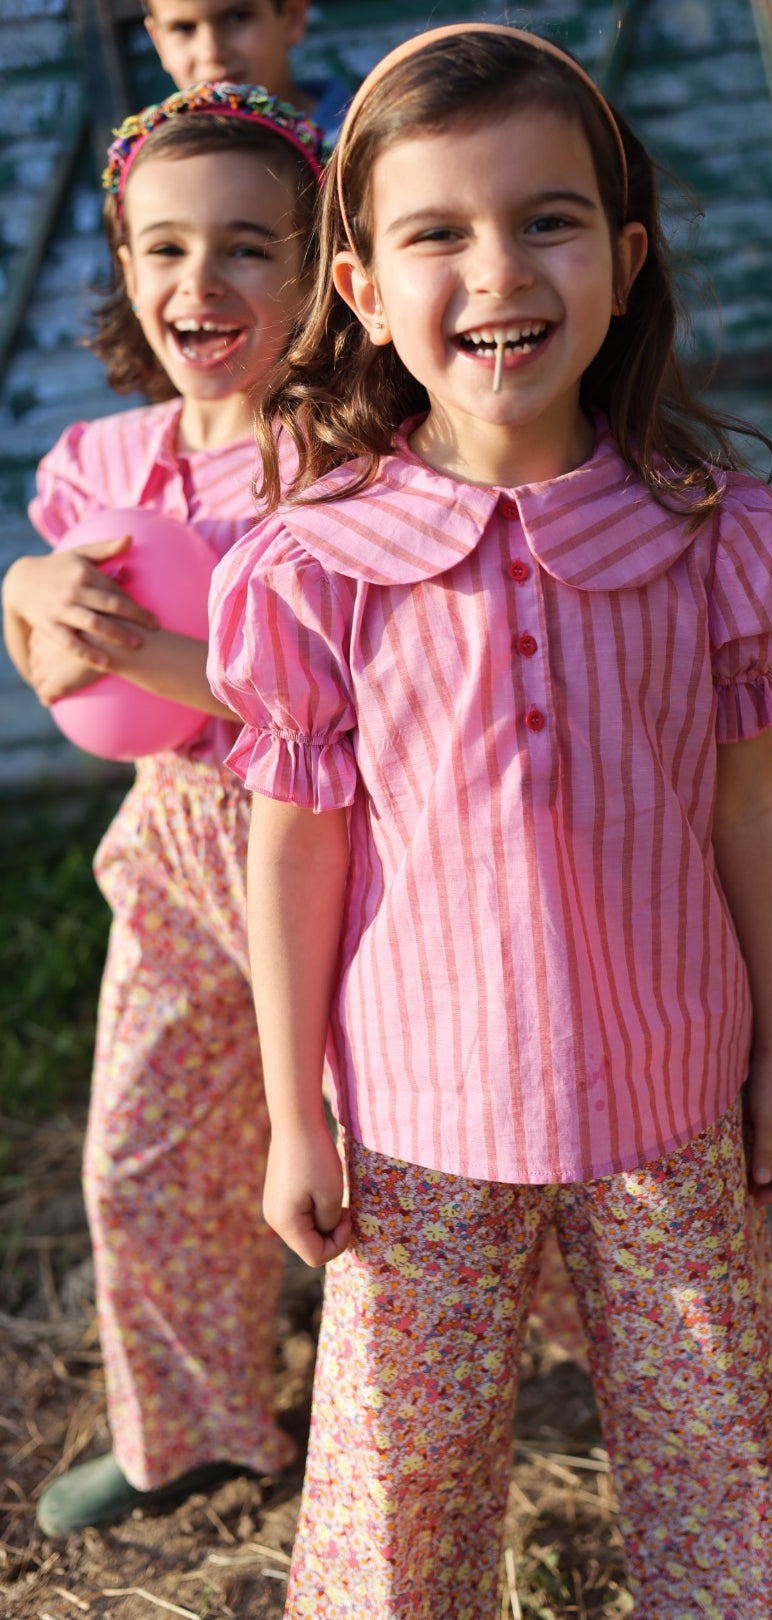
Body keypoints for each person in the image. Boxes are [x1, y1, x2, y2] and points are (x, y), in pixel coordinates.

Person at [208, 24, 772, 1619]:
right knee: (397, 1509)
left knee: (728, 1477)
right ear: (360, 286)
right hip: (417, 1124)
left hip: (669, 1100)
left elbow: (743, 801)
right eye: (438, 232)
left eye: (547, 219)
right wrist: (296, 1113)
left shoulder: (709, 539)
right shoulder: (322, 565)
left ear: (623, 261)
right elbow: (296, 845)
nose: (500, 270)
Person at [2, 82, 329, 1537]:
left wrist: (166, 661)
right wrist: (25, 597)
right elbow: (59, 662)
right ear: (128, 269)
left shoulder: (346, 462)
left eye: (250, 247)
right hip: (172, 851)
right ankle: (194, 1428)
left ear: (324, 265)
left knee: (388, 1148)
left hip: (330, 852)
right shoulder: (105, 461)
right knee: (140, 1155)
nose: (203, 283)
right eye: (166, 251)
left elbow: (353, 704)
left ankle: (530, 1342)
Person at [142, 0, 352, 138]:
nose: (211, 53)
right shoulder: (153, 172)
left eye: (237, 17)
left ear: (292, 18)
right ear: (159, 43)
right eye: (183, 28)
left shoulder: (361, 141)